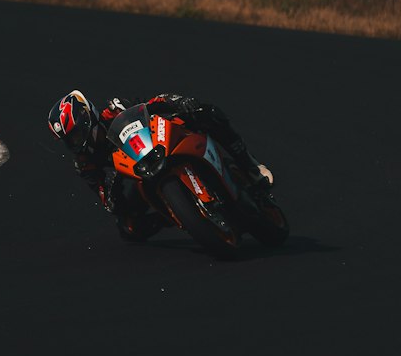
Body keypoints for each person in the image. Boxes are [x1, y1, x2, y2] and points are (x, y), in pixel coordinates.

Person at [48, 89, 272, 242]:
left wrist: (177, 101)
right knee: (129, 228)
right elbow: (104, 196)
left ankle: (250, 166)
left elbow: (150, 105)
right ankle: (176, 215)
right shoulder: (84, 162)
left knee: (207, 113)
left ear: (88, 118)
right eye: (69, 140)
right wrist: (112, 194)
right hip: (136, 173)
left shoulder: (114, 110)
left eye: (76, 135)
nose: (75, 143)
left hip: (157, 143)